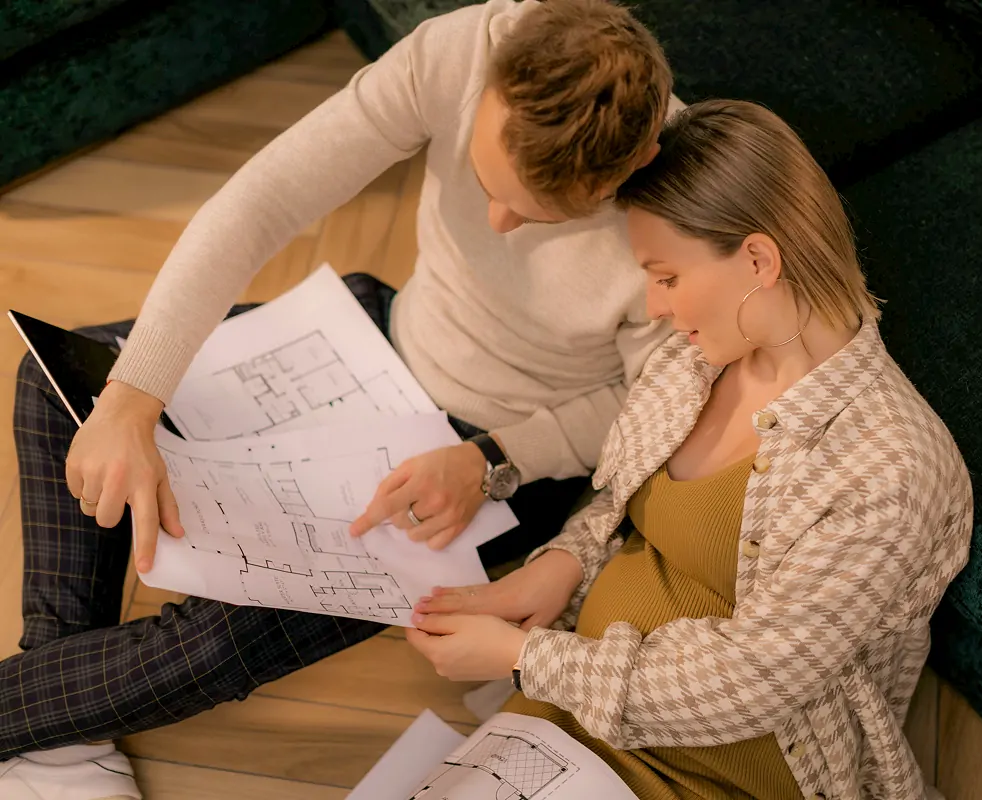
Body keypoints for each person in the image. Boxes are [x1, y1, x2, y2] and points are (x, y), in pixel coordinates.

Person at [0, 0, 681, 796]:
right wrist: (132, 399)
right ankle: (60, 732)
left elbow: (652, 411)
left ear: (630, 169)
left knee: (218, 641)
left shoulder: (682, 218)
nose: (497, 225)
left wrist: (497, 457)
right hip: (375, 340)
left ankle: (53, 734)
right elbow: (267, 198)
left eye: (534, 216)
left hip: (490, 461)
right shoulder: (467, 48)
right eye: (488, 184)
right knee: (62, 385)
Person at [403, 99, 974, 800]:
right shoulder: (694, 361)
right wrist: (562, 563)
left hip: (723, 767)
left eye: (666, 276)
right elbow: (618, 502)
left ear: (759, 259)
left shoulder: (891, 467)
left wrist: (527, 657)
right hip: (578, 702)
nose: (655, 308)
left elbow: (752, 682)